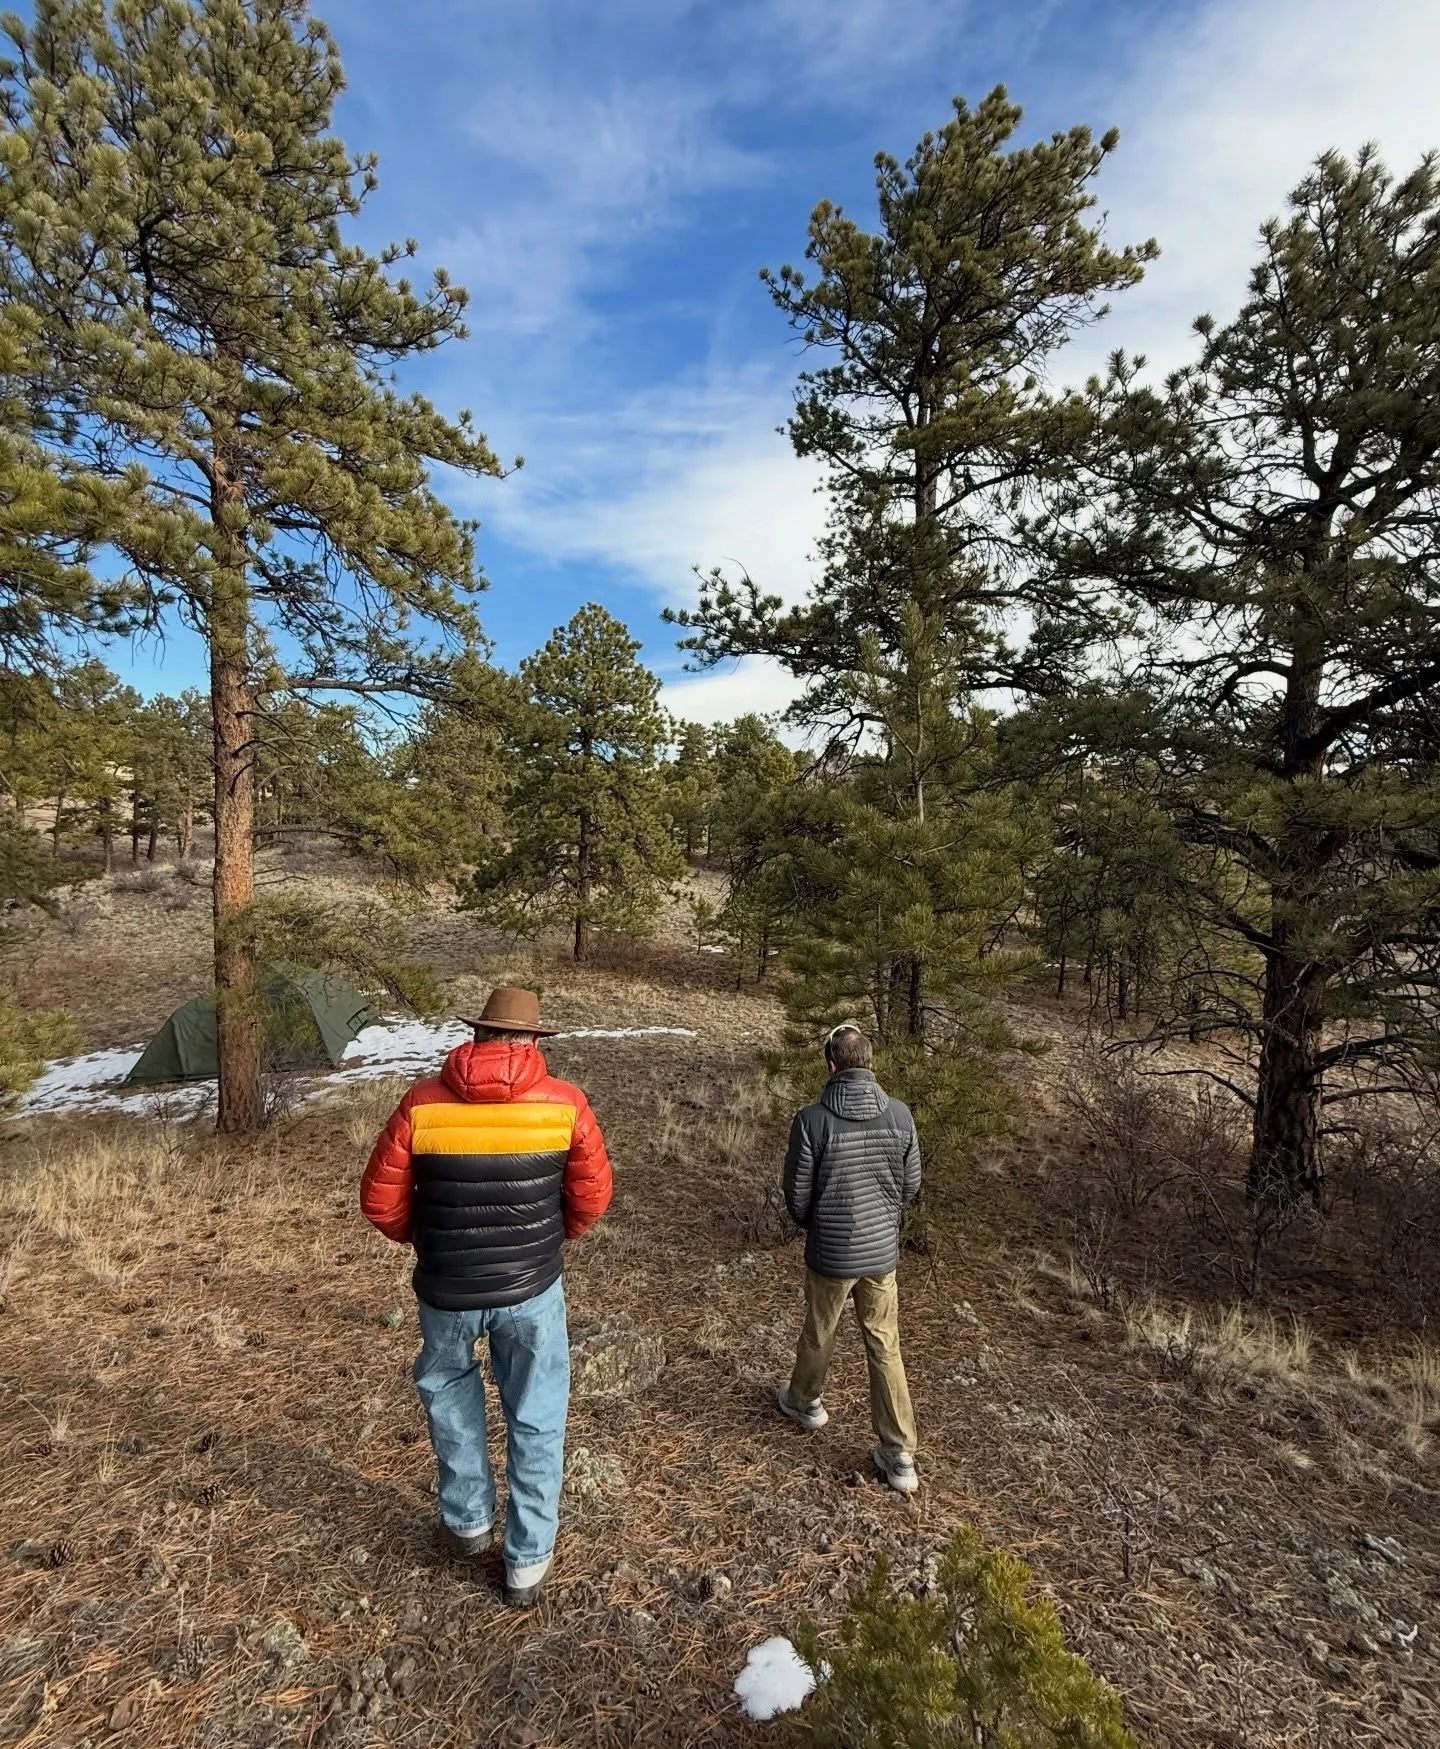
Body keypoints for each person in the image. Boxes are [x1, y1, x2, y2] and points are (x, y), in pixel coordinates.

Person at [361, 986, 612, 1606]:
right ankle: (526, 1562)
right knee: (537, 1414)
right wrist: (549, 1244)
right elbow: (592, 1197)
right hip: (533, 1289)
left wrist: (430, 1241)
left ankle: (469, 1522)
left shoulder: (422, 1103)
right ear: (531, 1041)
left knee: (449, 1396)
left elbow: (378, 1200)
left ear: (478, 1036)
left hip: (445, 1287)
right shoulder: (566, 1104)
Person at [776, 1021, 922, 1494]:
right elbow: (911, 1186)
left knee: (820, 1329)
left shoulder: (811, 1119)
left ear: (831, 1064)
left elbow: (796, 1195)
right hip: (881, 1255)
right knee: (885, 1344)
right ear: (869, 1063)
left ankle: (805, 1401)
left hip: (831, 1252)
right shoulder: (900, 1115)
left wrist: (816, 1224)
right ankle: (899, 1454)